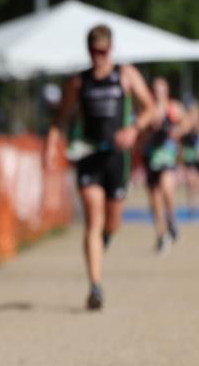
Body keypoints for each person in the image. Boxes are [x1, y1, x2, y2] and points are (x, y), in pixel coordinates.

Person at [44, 24, 154, 310]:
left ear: (111, 50)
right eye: (94, 52)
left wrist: (133, 129)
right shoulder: (79, 82)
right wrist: (50, 145)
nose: (98, 58)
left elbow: (151, 108)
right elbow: (61, 118)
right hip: (89, 155)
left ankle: (101, 246)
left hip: (118, 159)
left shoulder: (126, 75)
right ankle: (95, 286)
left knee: (112, 223)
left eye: (103, 52)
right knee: (93, 218)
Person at [141, 77, 185, 253]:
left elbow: (187, 122)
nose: (158, 93)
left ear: (166, 91)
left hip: (167, 157)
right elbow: (139, 133)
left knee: (167, 190)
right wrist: (149, 129)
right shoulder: (147, 109)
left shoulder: (174, 107)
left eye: (161, 90)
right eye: (155, 90)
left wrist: (177, 131)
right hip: (150, 158)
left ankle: (172, 219)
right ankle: (161, 235)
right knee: (154, 200)